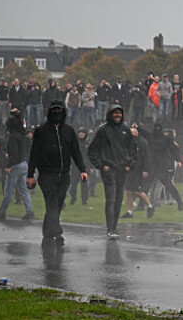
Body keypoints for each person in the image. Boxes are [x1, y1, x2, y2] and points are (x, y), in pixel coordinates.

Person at [27, 101, 88, 244]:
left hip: (64, 175)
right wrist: (30, 175)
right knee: (51, 201)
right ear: (50, 112)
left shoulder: (69, 131)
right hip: (47, 174)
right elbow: (34, 153)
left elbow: (76, 152)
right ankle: (56, 231)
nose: (57, 113)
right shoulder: (41, 131)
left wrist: (82, 169)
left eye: (59, 110)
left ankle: (48, 232)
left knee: (58, 203)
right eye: (54, 110)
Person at [86, 104, 137, 239]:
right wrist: (101, 165)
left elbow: (133, 148)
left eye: (120, 113)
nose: (118, 115)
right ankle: (110, 228)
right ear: (110, 114)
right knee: (111, 199)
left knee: (119, 199)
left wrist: (130, 165)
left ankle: (115, 226)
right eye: (115, 113)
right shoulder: (102, 130)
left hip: (122, 169)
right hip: (109, 169)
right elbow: (92, 150)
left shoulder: (126, 129)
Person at [0, 109, 35, 222]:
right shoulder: (23, 136)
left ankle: (1, 212)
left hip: (15, 165)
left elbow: (13, 154)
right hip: (23, 164)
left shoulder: (12, 137)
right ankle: (30, 211)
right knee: (24, 190)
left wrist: (8, 166)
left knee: (8, 191)